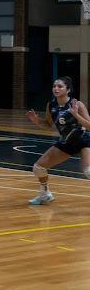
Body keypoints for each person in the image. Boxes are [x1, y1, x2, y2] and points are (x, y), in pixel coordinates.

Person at [25, 76, 90, 205]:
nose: (56, 88)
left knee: (88, 171)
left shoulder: (76, 104)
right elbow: (48, 124)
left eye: (60, 86)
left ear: (68, 89)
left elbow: (89, 126)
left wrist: (76, 114)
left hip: (83, 139)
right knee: (38, 168)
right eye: (54, 86)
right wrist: (37, 121)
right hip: (66, 142)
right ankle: (45, 194)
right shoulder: (51, 104)